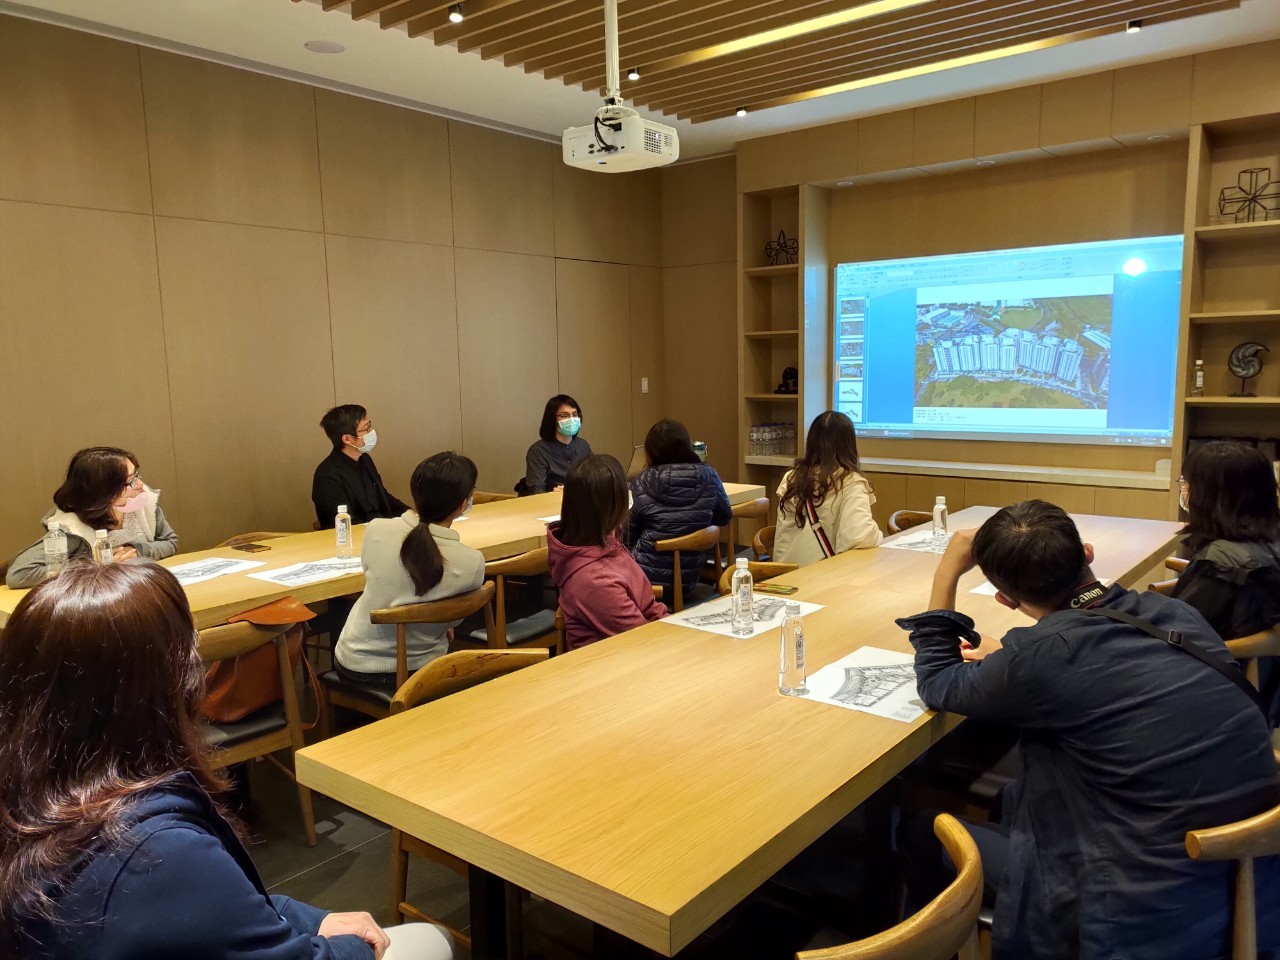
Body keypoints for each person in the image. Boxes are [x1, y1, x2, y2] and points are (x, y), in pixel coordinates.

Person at [0, 560, 454, 960]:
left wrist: (311, 919)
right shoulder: (157, 854)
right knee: (431, 939)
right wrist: (355, 946)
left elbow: (212, 916)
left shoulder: (33, 799)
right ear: (175, 680)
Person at [897, 500, 1280, 960]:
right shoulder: (1172, 613)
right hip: (1250, 887)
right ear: (1087, 553)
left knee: (921, 830)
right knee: (1011, 795)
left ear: (1006, 600)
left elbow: (937, 681)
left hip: (1138, 915)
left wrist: (948, 573)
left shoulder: (1042, 659)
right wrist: (1016, 659)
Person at [335, 453, 486, 688]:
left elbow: (376, 580)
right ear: (463, 504)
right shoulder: (472, 562)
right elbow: (452, 622)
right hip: (424, 667)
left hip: (355, 661)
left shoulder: (376, 530)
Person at [1171, 440, 1280, 720]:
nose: (1184, 489)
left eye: (1187, 483)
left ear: (1210, 495)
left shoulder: (1220, 563)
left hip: (1212, 693)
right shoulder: (1269, 540)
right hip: (1262, 693)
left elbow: (1177, 633)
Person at [6, 446, 177, 589]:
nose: (140, 485)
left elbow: (170, 542)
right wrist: (95, 564)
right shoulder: (72, 528)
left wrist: (136, 551)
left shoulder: (143, 502)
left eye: (137, 475)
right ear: (104, 491)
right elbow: (19, 575)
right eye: (130, 481)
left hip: (144, 585)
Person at [547, 454, 668, 649]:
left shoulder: (609, 544)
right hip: (622, 660)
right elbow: (641, 640)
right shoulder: (593, 580)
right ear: (614, 504)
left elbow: (650, 608)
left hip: (644, 647)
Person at [628, 419, 731, 605]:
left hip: (646, 582)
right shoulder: (709, 475)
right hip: (690, 579)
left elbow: (628, 535)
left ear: (650, 451)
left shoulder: (641, 482)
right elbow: (724, 517)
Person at [774, 411, 881, 566]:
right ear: (849, 445)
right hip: (823, 575)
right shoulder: (851, 483)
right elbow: (859, 537)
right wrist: (878, 534)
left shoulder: (791, 477)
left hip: (784, 573)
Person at [313, 404, 409, 529]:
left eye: (370, 426)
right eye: (366, 429)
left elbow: (382, 496)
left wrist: (407, 512)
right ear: (348, 439)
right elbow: (342, 523)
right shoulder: (326, 475)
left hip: (383, 527)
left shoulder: (364, 459)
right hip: (359, 535)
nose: (372, 432)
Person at [522, 394, 592, 494]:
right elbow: (536, 491)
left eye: (574, 414)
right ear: (552, 419)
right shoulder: (538, 451)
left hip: (581, 499)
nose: (571, 419)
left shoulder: (583, 445)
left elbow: (594, 478)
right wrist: (555, 494)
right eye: (564, 415)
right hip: (552, 501)